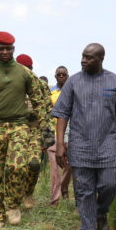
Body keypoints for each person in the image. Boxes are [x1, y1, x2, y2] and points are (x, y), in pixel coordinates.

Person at [52, 43, 116, 230]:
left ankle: (101, 213)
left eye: (89, 58)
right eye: (83, 56)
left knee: (110, 184)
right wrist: (60, 144)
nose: (83, 60)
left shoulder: (115, 81)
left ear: (100, 59)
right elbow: (62, 114)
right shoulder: (73, 82)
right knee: (84, 190)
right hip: (80, 145)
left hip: (108, 144)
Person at [0, 31, 50, 228]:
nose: (5, 52)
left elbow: (38, 102)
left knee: (17, 166)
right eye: (1, 48)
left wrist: (46, 129)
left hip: (19, 126)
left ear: (13, 49)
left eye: (9, 49)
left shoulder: (25, 73)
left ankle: (13, 205)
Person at [16, 53, 52, 209]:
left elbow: (48, 109)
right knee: (16, 165)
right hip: (15, 129)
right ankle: (14, 196)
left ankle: (28, 193)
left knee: (34, 163)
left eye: (27, 68)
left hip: (34, 129)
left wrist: (47, 132)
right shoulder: (11, 84)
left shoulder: (41, 85)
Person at [47, 66, 72, 204]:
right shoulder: (50, 93)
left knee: (69, 164)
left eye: (64, 74)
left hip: (70, 133)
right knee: (54, 169)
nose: (61, 76)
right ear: (55, 77)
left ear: (68, 76)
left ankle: (64, 188)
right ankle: (55, 199)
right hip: (53, 133)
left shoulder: (73, 92)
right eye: (59, 75)